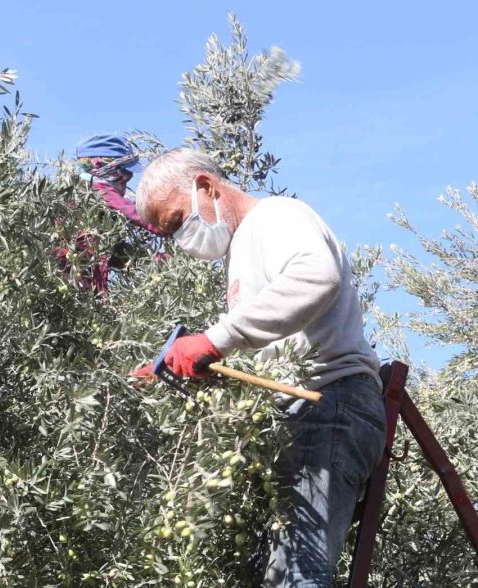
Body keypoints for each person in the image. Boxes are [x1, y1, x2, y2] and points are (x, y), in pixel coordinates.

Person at [132, 148, 386, 587]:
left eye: (175, 222)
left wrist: (214, 340)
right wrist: (196, 364)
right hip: (305, 415)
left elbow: (316, 276)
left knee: (300, 576)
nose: (178, 239)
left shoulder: (275, 217)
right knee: (282, 576)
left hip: (330, 402)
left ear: (206, 187)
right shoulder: (242, 250)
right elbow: (268, 347)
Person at [58, 133, 168, 293]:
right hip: (72, 290)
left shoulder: (97, 213)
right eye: (124, 172)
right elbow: (136, 214)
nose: (128, 178)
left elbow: (119, 253)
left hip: (89, 292)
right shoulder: (94, 190)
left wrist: (165, 262)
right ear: (99, 165)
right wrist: (174, 225)